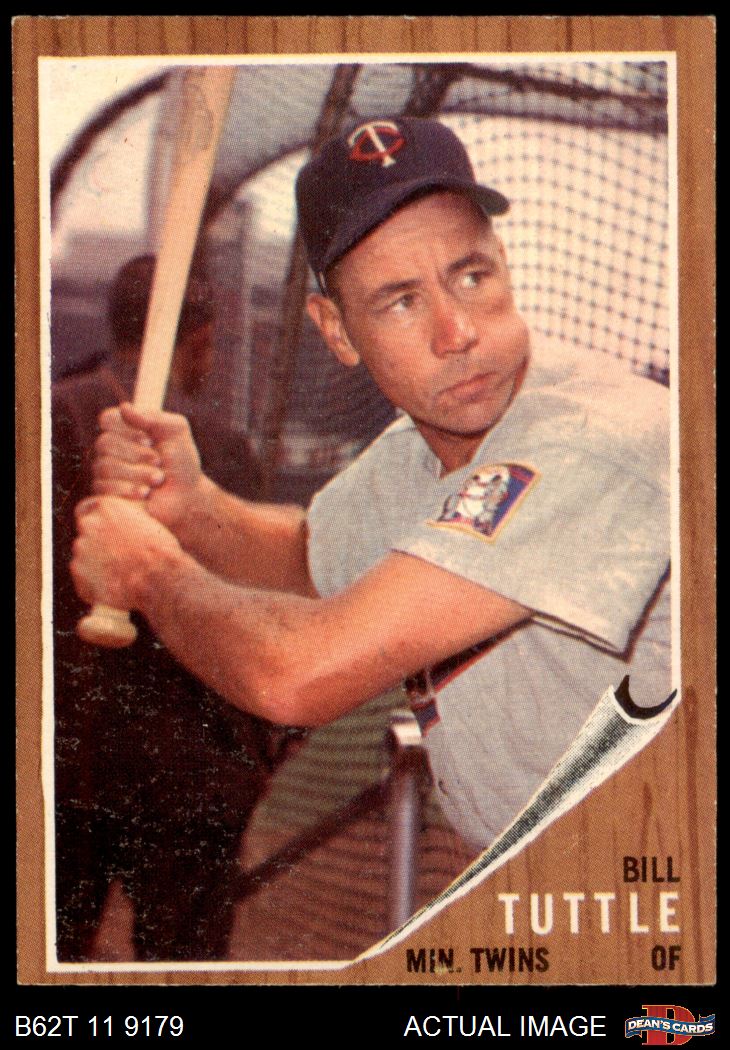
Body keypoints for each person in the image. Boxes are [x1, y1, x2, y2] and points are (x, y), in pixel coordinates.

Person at [70, 118, 671, 854]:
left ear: (505, 265)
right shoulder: (417, 448)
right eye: (401, 301)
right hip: (547, 867)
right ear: (337, 331)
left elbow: (296, 675)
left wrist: (149, 573)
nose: (457, 332)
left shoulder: (590, 436)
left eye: (471, 276)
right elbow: (309, 559)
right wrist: (194, 509)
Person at [53, 256, 278, 961]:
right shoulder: (217, 447)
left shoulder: (47, 413)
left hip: (64, 759)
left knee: (47, 958)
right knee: (183, 969)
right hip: (187, 773)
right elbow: (254, 612)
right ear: (200, 338)